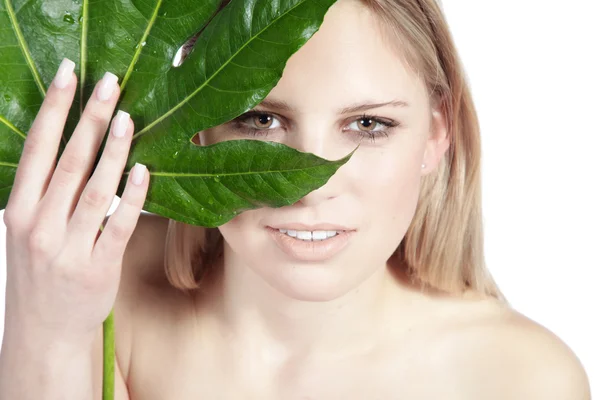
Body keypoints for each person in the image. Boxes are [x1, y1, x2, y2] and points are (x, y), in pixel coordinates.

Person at [0, 0, 591, 398]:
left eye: (367, 124)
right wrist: (50, 325)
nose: (309, 184)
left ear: (437, 133)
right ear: (197, 128)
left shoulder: (522, 378)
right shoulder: (104, 281)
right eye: (260, 119)